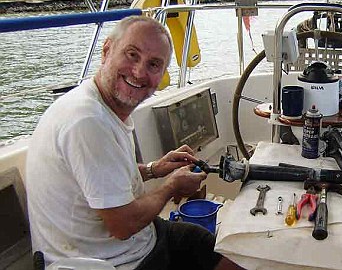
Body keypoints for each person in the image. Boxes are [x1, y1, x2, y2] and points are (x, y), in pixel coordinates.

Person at [26, 16, 243, 270]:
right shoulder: (87, 122)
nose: (139, 72)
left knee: (220, 250)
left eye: (154, 64)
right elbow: (123, 225)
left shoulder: (102, 108)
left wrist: (154, 169)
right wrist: (171, 185)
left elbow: (107, 178)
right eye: (132, 55)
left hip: (136, 241)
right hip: (111, 261)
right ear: (107, 50)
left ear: (162, 75)